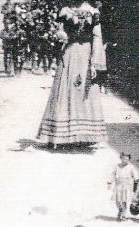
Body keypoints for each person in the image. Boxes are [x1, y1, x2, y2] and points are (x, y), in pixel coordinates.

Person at [36, 1, 108, 147]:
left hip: (86, 54)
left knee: (83, 91)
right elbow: (58, 30)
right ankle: (59, 136)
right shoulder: (65, 11)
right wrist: (59, 36)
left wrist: (94, 62)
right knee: (65, 89)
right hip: (69, 53)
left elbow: (97, 38)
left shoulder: (93, 12)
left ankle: (86, 135)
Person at [108, 153, 139, 221]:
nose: (125, 160)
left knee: (124, 201)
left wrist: (136, 182)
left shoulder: (131, 167)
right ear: (121, 158)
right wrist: (110, 182)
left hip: (126, 186)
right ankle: (120, 210)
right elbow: (113, 175)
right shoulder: (117, 166)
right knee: (118, 201)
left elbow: (135, 177)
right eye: (124, 159)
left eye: (127, 159)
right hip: (118, 186)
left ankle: (124, 215)